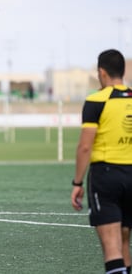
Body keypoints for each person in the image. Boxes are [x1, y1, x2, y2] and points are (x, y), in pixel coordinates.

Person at [71, 49, 132, 274]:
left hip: (107, 176)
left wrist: (77, 183)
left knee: (112, 247)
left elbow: (85, 146)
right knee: (125, 242)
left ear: (101, 72)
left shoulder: (96, 100)